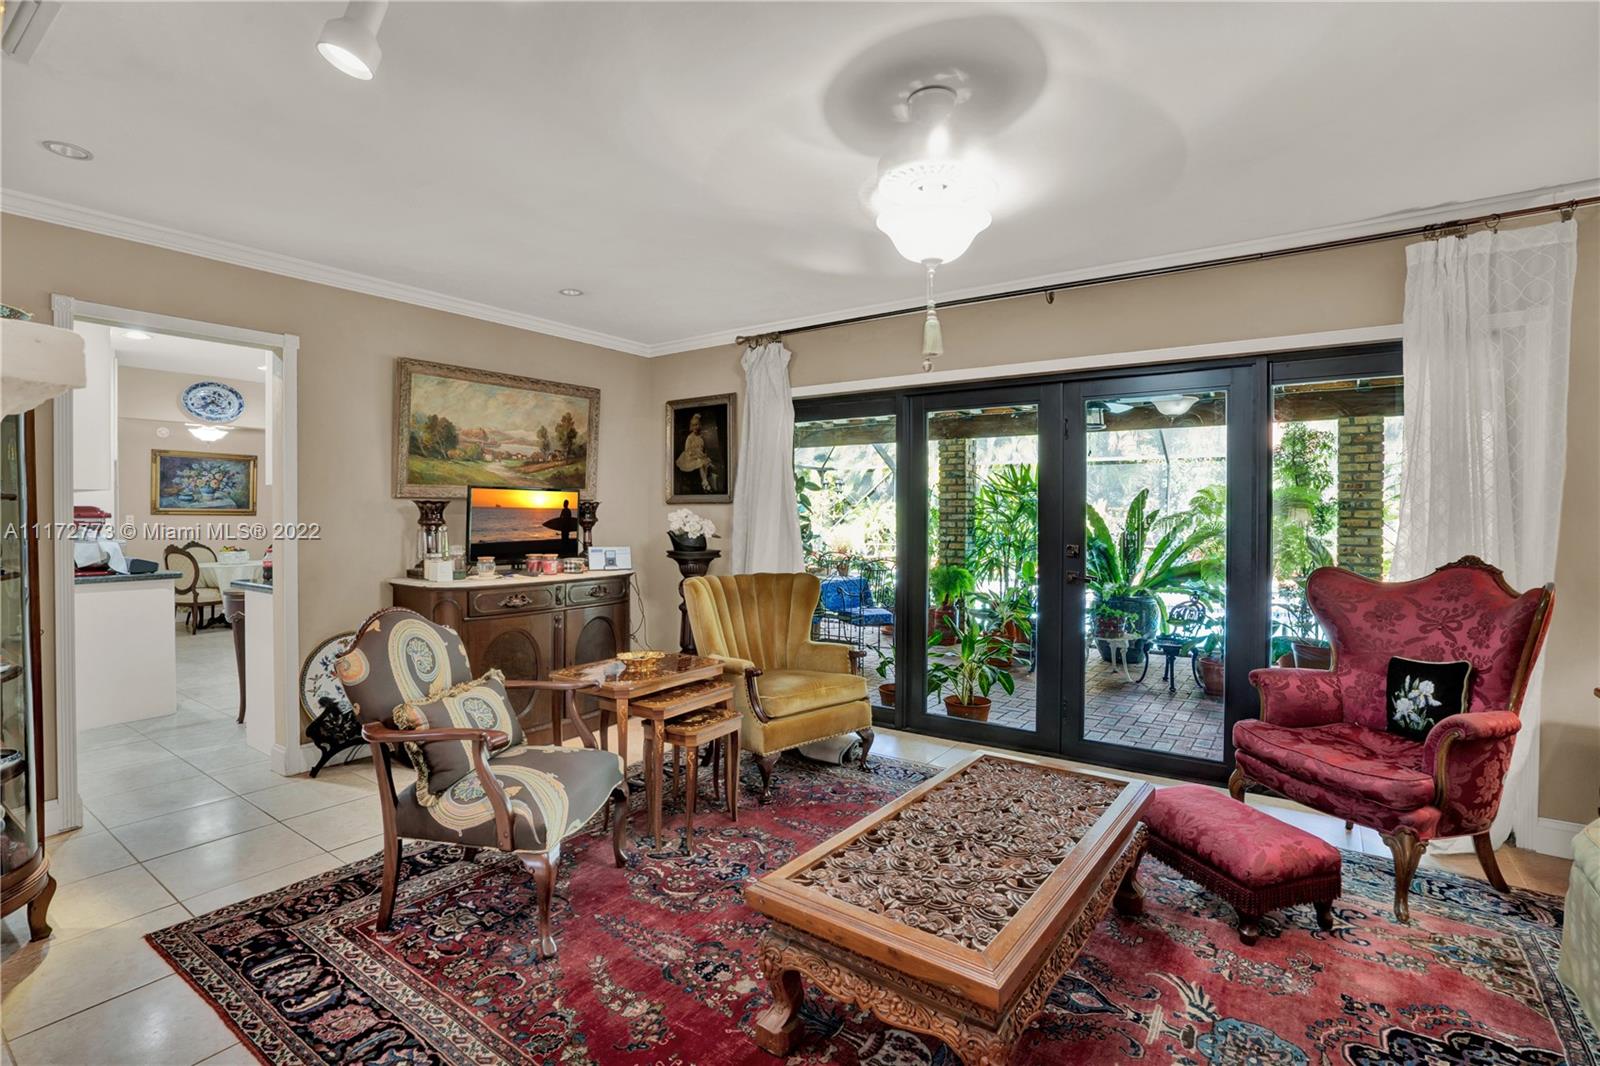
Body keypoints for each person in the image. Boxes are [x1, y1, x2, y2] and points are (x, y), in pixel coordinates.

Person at [675, 412, 718, 492]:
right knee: (700, 463)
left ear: (700, 425)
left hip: (700, 456)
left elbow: (703, 448)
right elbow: (687, 449)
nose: (696, 427)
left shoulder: (701, 437)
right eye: (694, 425)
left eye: (697, 425)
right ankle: (705, 482)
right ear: (691, 426)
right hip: (690, 457)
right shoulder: (690, 437)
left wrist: (703, 454)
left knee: (706, 463)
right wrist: (694, 453)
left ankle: (706, 483)